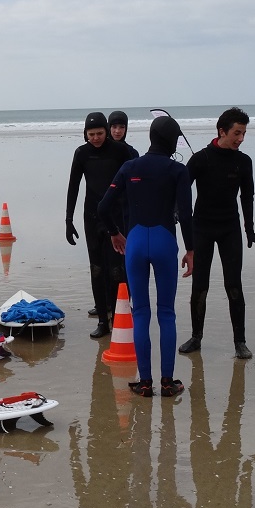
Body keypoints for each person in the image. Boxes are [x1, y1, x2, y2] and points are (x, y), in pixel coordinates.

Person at [98, 115, 194, 397]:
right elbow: (186, 214)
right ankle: (168, 383)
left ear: (151, 137)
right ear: (173, 141)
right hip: (165, 242)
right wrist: (191, 249)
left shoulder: (130, 167)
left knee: (140, 312)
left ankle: (144, 383)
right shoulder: (178, 170)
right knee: (166, 313)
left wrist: (115, 233)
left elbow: (103, 207)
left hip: (136, 242)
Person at [179, 107, 255, 360]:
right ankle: (196, 337)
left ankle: (240, 342)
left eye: (244, 133)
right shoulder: (200, 159)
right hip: (202, 228)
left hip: (230, 229)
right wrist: (177, 216)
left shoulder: (244, 162)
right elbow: (181, 192)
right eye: (237, 133)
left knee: (234, 285)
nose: (241, 138)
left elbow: (247, 197)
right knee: (200, 285)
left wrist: (249, 229)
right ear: (222, 131)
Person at [66, 112, 137, 338]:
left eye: (99, 133)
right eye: (91, 134)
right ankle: (102, 322)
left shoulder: (120, 151)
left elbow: (134, 183)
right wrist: (68, 220)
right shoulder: (82, 153)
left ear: (106, 132)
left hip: (117, 217)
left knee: (117, 270)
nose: (95, 138)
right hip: (92, 217)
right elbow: (73, 186)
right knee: (96, 269)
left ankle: (118, 317)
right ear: (85, 134)